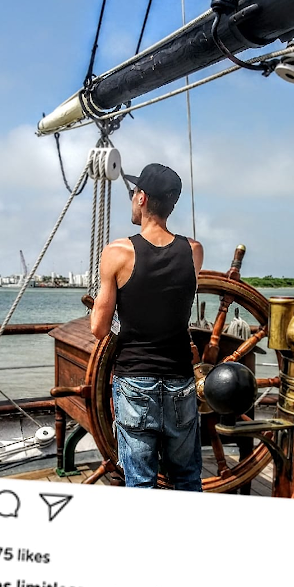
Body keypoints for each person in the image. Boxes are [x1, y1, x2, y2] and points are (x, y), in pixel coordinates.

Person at [91, 163, 204, 491]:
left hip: (135, 382)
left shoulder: (117, 253)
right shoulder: (194, 251)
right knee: (187, 478)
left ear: (141, 198)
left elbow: (98, 328)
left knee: (140, 483)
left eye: (133, 193)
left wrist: (123, 322)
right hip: (180, 381)